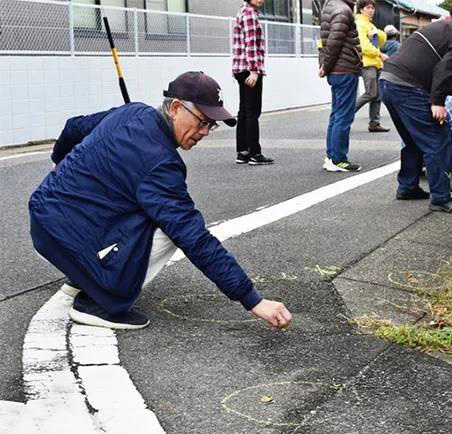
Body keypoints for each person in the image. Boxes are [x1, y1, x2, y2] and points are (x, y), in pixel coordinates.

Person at [29, 71, 292, 331]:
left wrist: (62, 165)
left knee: (141, 209)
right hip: (64, 235)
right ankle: (100, 300)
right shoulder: (161, 164)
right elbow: (193, 236)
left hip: (44, 214)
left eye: (211, 125)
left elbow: (73, 126)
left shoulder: (132, 112)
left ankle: (84, 274)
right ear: (175, 108)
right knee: (168, 229)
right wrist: (251, 298)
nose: (205, 132)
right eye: (202, 121)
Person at [380, 9, 452, 213]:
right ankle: (441, 198)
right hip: (408, 86)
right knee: (439, 139)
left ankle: (408, 187)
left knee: (413, 140)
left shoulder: (451, 26)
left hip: (388, 81)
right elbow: (445, 69)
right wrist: (437, 102)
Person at [318, 0, 363, 172]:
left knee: (336, 114)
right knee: (343, 116)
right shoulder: (343, 10)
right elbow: (334, 42)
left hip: (336, 70)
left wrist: (323, 65)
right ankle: (338, 159)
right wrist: (326, 65)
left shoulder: (329, 7)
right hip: (344, 69)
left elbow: (324, 42)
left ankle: (331, 156)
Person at [232, 0, 273, 165]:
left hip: (241, 68)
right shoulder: (249, 13)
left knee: (244, 111)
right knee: (252, 112)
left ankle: (243, 152)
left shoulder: (244, 10)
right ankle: (255, 153)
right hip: (249, 69)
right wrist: (255, 70)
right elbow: (251, 45)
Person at [355, 0, 390, 133]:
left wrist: (376, 32)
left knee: (377, 95)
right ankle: (347, 114)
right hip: (367, 63)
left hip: (375, 63)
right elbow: (364, 46)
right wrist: (380, 54)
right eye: (368, 8)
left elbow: (382, 41)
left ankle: (374, 123)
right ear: (361, 9)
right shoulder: (360, 24)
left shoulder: (369, 25)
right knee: (371, 93)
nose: (371, 10)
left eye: (372, 8)